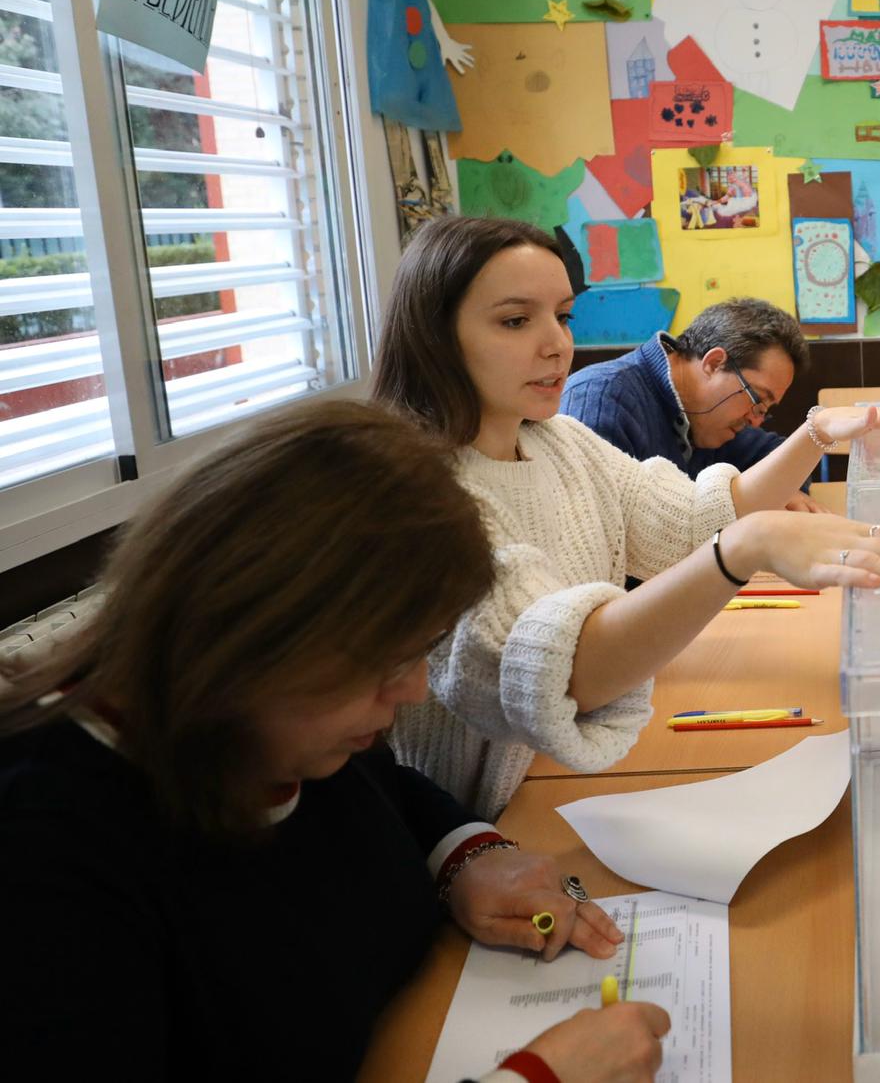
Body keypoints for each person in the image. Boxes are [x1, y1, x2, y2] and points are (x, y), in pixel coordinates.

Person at [0, 401, 669, 1082]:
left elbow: (387, 792)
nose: (412, 689)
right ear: (253, 633)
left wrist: (466, 856)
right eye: (388, 659)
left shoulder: (272, 729)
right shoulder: (51, 855)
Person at [371, 216, 880, 816]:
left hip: (557, 773)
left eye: (563, 317)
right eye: (516, 320)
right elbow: (557, 674)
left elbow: (695, 519)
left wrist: (816, 433)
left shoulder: (559, 442)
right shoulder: (426, 492)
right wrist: (745, 547)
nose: (557, 344)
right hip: (473, 821)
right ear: (436, 335)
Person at [559, 297, 826, 513]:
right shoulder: (602, 399)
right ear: (713, 364)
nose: (755, 420)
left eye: (764, 411)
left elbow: (776, 452)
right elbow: (604, 538)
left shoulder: (704, 419)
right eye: (757, 400)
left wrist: (781, 487)